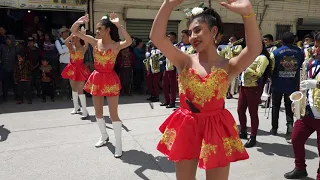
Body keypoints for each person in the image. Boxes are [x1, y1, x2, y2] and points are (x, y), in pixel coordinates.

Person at [150, 0, 261, 179]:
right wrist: (168, 4)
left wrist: (247, 14)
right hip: (187, 126)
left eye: (198, 30)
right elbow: (156, 37)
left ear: (214, 31)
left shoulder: (229, 66)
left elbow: (254, 48)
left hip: (216, 127)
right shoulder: (184, 61)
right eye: (190, 32)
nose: (193, 36)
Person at [70, 13, 132, 158]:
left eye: (99, 29)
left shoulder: (116, 45)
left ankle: (119, 144)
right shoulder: (94, 42)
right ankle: (104, 136)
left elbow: (128, 40)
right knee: (98, 113)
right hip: (97, 78)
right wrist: (78, 22)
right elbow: (74, 31)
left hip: (110, 79)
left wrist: (118, 25)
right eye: (97, 29)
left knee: (113, 114)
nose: (96, 31)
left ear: (107, 30)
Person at [284, 32, 320, 180]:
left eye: (318, 47)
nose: (315, 49)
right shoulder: (310, 63)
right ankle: (300, 168)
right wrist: (298, 100)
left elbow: (314, 83)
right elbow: (304, 83)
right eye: (316, 46)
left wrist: (317, 83)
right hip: (308, 111)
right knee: (296, 138)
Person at [238, 41, 272, 148]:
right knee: (240, 110)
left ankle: (253, 137)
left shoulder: (262, 58)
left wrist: (245, 68)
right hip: (244, 85)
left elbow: (259, 73)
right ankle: (243, 131)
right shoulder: (250, 56)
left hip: (254, 87)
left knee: (253, 112)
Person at [270, 32, 304, 140]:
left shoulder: (276, 52)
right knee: (289, 106)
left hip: (277, 83)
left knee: (275, 106)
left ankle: (274, 128)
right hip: (292, 84)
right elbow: (300, 64)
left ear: (282, 41)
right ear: (293, 41)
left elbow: (272, 67)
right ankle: (290, 127)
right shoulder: (299, 51)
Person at [61, 28, 91, 119]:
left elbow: (87, 42)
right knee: (73, 89)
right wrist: (72, 34)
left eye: (73, 38)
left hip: (80, 69)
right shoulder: (70, 46)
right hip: (72, 69)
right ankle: (76, 107)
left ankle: (85, 110)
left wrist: (83, 34)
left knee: (80, 90)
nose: (71, 40)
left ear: (78, 38)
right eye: (71, 38)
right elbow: (65, 41)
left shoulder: (83, 48)